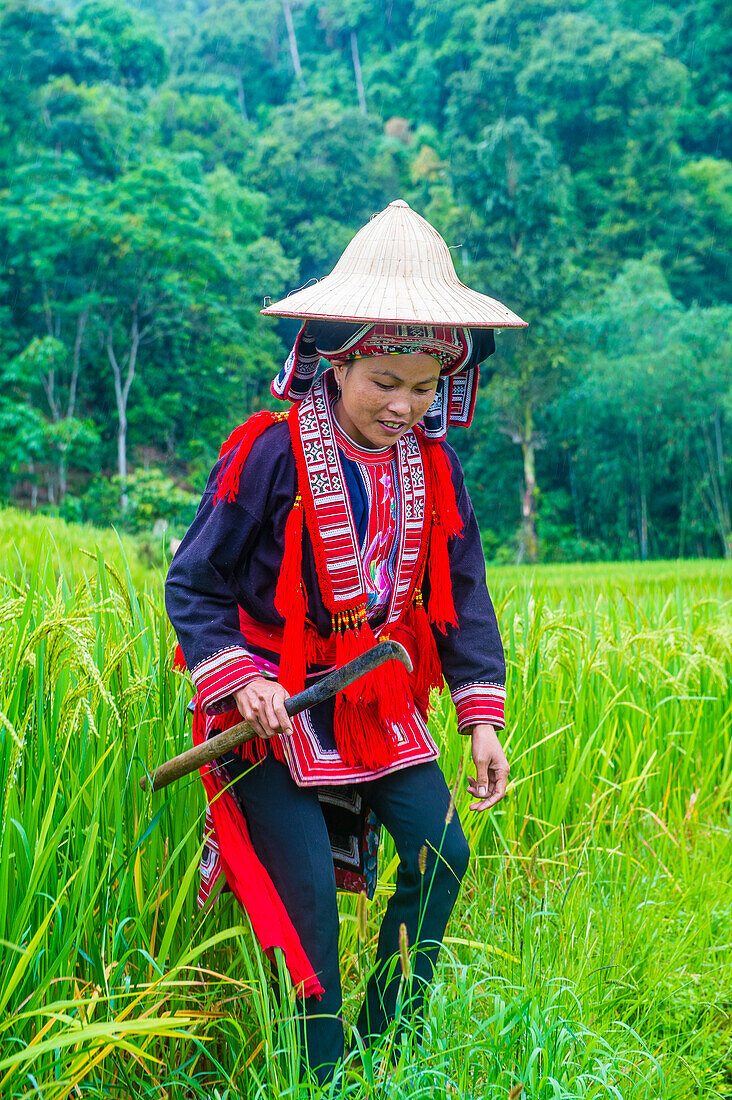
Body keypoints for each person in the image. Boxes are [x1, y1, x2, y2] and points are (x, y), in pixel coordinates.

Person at [164, 201, 524, 1083]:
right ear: (335, 361)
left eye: (425, 385)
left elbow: (464, 594)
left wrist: (481, 719)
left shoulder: (435, 468)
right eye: (384, 382)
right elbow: (193, 582)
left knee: (443, 852)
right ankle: (319, 1073)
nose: (406, 405)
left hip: (374, 697)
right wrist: (240, 679)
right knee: (310, 911)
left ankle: (387, 1042)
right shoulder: (270, 452)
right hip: (275, 706)